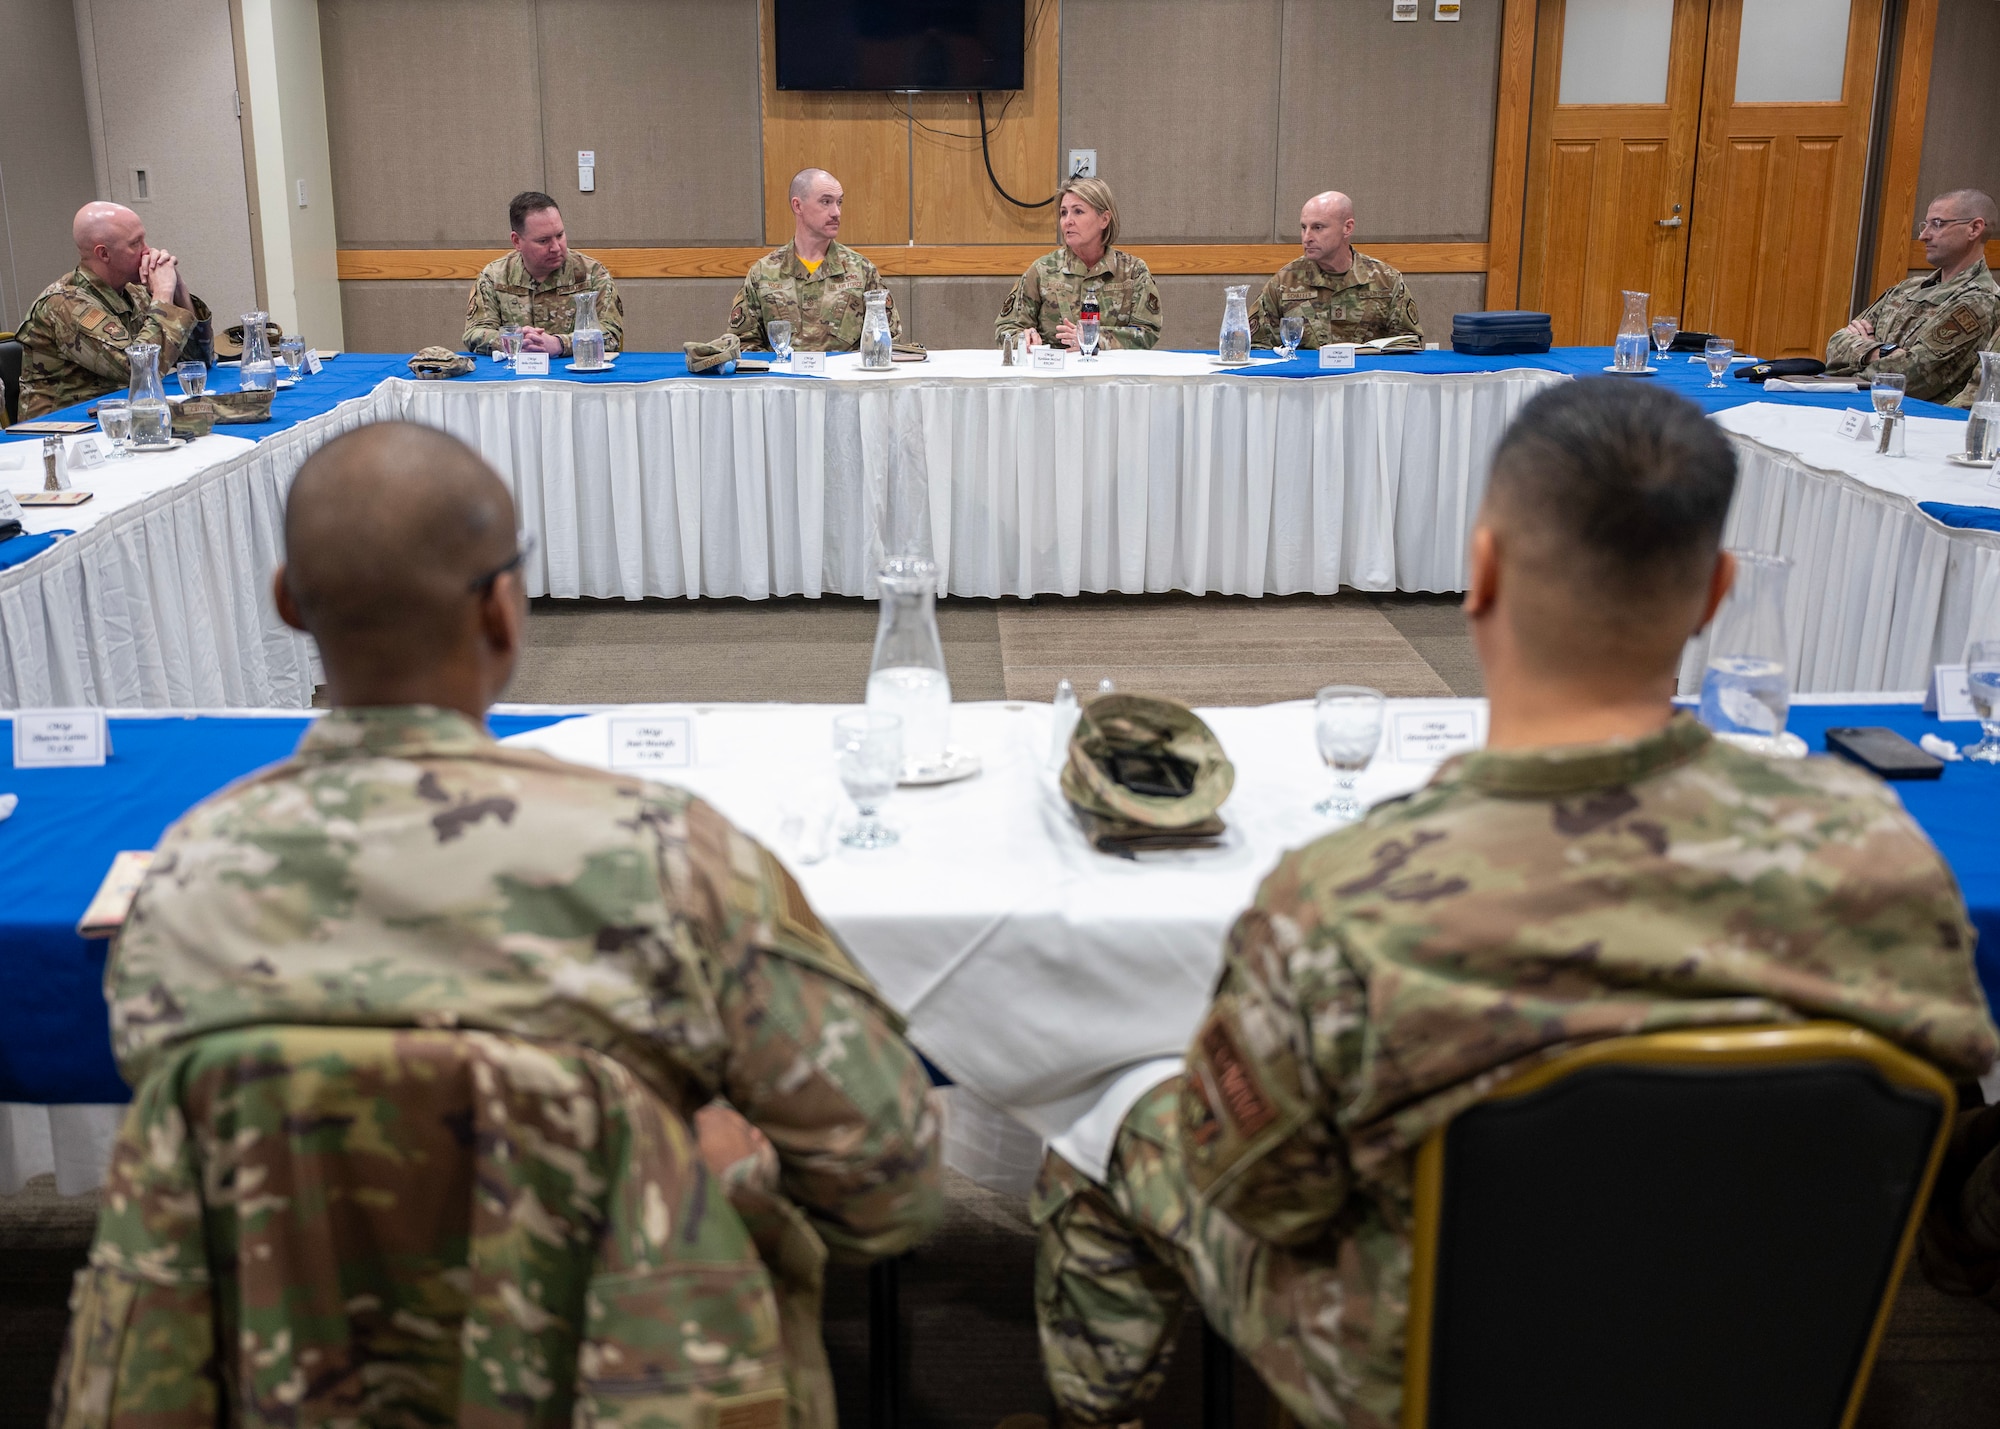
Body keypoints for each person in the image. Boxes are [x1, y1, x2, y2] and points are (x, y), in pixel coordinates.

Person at [1030, 379, 2000, 1429]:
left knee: (1111, 1126)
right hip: (1765, 1366)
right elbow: (1945, 1183)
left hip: (1422, 1383)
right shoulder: (1886, 865)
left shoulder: (1342, 903)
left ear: (1481, 569)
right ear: (1715, 591)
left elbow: (1260, 1195)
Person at [105, 421, 942, 1427]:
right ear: (502, 608)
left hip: (290, 1387)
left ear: (288, 602)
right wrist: (709, 1155)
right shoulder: (665, 858)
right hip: (622, 1380)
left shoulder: (185, 881)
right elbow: (888, 1179)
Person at [15, 201, 212, 420]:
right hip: (61, 429)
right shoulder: (65, 304)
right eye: (135, 243)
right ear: (104, 254)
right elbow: (138, 372)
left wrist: (178, 290)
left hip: (115, 419)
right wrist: (163, 294)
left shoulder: (134, 293)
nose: (147, 250)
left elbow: (198, 362)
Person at [1825, 189, 2000, 403]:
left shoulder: (1979, 301)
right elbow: (1834, 346)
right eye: (1925, 225)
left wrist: (1860, 355)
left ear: (1974, 228)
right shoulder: (1908, 288)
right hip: (1858, 402)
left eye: (1937, 224)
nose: (1923, 236)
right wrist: (1882, 352)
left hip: (1914, 415)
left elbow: (1910, 377)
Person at [728, 168, 901, 352]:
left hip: (845, 371)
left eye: (839, 202)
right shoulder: (763, 273)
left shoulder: (862, 270)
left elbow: (888, 341)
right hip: (782, 371)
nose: (836, 212)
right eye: (826, 202)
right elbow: (744, 344)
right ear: (798, 206)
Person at [995, 177, 1162, 352]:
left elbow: (1147, 332)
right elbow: (1006, 330)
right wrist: (1024, 339)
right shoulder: (1042, 270)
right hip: (1056, 367)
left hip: (1110, 368)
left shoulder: (1133, 271)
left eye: (1078, 211)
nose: (1068, 221)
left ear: (1104, 219)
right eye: (1063, 213)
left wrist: (1093, 338)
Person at [1250, 191, 1421, 350]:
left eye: (1318, 227)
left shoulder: (1386, 280)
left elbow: (1406, 345)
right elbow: (1257, 347)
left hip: (1367, 372)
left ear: (1347, 228)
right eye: (1303, 227)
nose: (1307, 237)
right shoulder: (1284, 282)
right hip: (1307, 372)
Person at [463, 190, 624, 357]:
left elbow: (611, 334)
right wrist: (515, 341)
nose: (556, 247)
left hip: (574, 371)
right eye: (543, 241)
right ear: (517, 241)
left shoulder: (592, 274)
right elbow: (474, 333)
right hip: (517, 371)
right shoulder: (494, 277)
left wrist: (561, 344)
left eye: (560, 235)